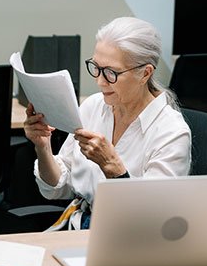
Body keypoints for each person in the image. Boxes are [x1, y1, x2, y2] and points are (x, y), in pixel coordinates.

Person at [24, 16, 191, 231]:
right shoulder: (94, 106)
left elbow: (154, 217)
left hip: (131, 236)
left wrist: (113, 168)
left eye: (111, 73)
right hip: (80, 226)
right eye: (96, 67)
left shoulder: (171, 132)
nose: (100, 81)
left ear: (145, 73)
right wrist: (43, 147)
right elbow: (58, 187)